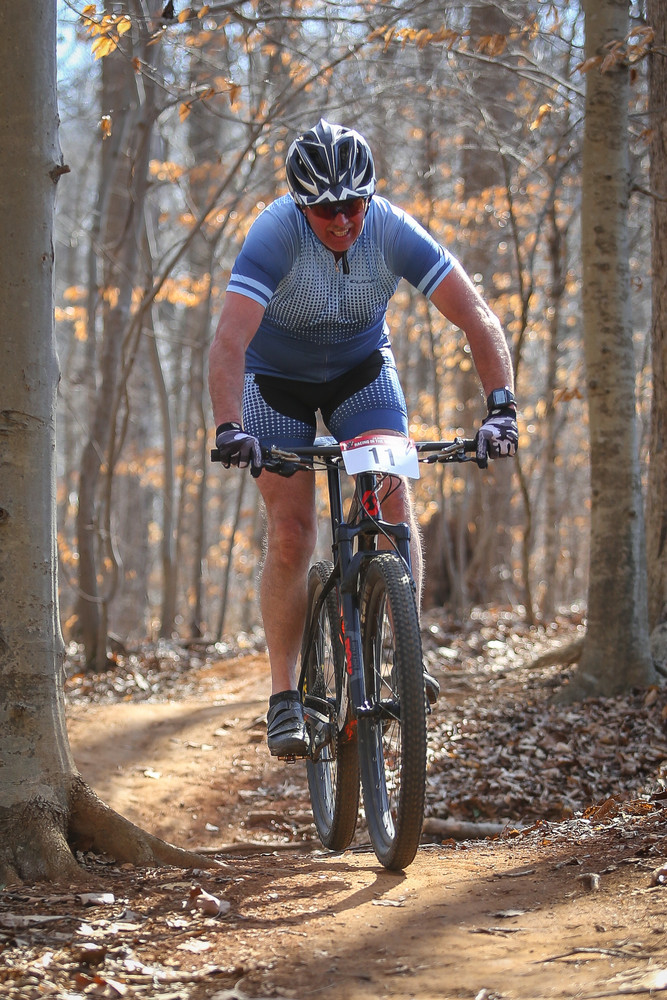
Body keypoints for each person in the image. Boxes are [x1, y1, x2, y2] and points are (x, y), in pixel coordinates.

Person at [208, 118, 517, 758]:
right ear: (302, 204)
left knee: (394, 502)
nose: (344, 220)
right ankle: (284, 694)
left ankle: (405, 651)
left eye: (354, 204)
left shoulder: (391, 230)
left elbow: (476, 316)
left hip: (361, 375)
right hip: (276, 384)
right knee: (292, 534)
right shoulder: (274, 234)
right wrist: (230, 426)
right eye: (328, 210)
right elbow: (230, 340)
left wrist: (501, 409)